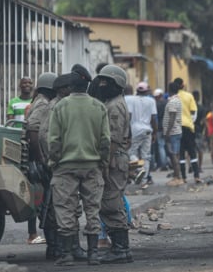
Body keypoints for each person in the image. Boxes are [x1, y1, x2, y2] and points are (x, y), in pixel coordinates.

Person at [47, 71, 109, 266]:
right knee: (92, 210)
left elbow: (54, 140)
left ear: (70, 88)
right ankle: (93, 254)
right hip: (92, 165)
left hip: (65, 166)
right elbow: (106, 140)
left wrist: (54, 160)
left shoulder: (60, 106)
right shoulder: (98, 107)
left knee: (65, 209)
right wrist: (102, 161)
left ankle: (67, 255)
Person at [90, 65, 133, 264]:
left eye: (106, 82)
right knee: (111, 201)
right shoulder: (112, 102)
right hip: (115, 158)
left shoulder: (115, 106)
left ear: (117, 84)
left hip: (114, 160)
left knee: (110, 202)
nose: (102, 85)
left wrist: (106, 164)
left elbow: (113, 139)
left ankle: (120, 249)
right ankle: (120, 248)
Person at [25, 72, 58, 257]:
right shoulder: (44, 104)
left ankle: (53, 246)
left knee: (48, 204)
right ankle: (53, 246)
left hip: (42, 158)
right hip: (42, 160)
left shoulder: (39, 101)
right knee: (49, 204)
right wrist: (41, 159)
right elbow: (33, 130)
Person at [6, 76, 40, 244]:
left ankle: (33, 233)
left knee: (33, 181)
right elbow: (10, 122)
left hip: (31, 143)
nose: (27, 85)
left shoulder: (36, 104)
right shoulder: (13, 102)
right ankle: (32, 233)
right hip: (17, 143)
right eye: (24, 83)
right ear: (19, 86)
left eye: (29, 83)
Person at [126, 82, 158, 189]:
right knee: (146, 156)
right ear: (147, 91)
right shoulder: (151, 101)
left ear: (137, 91)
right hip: (147, 130)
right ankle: (144, 182)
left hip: (135, 130)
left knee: (131, 152)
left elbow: (129, 115)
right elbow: (153, 118)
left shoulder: (131, 100)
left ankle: (139, 170)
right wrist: (155, 133)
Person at [174, 78, 201, 184]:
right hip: (188, 127)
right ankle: (196, 176)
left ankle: (184, 177)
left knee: (181, 154)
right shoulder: (189, 96)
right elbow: (194, 112)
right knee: (192, 152)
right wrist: (190, 121)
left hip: (177, 128)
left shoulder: (173, 97)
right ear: (182, 85)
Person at [164, 82, 185, 186]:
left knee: (173, 155)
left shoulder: (172, 102)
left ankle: (178, 177)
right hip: (177, 131)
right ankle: (177, 176)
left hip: (173, 132)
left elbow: (172, 117)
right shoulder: (177, 100)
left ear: (169, 90)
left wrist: (167, 132)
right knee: (175, 154)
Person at [153, 88, 169, 171]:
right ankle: (169, 163)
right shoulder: (167, 103)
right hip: (167, 126)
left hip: (159, 127)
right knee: (167, 145)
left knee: (161, 146)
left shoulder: (156, 104)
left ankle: (163, 164)